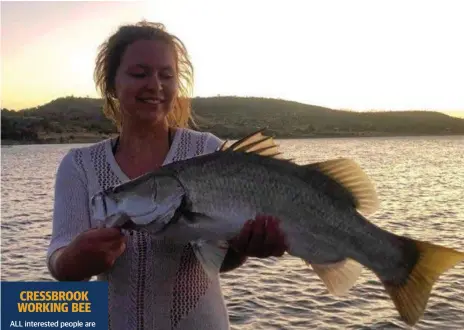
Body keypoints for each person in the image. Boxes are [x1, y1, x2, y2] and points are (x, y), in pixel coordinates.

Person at [47, 21, 287, 330]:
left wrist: (245, 248)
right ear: (111, 84)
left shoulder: (209, 151)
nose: (155, 85)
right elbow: (59, 261)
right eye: (139, 73)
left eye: (166, 74)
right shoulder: (79, 165)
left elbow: (218, 260)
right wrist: (75, 259)